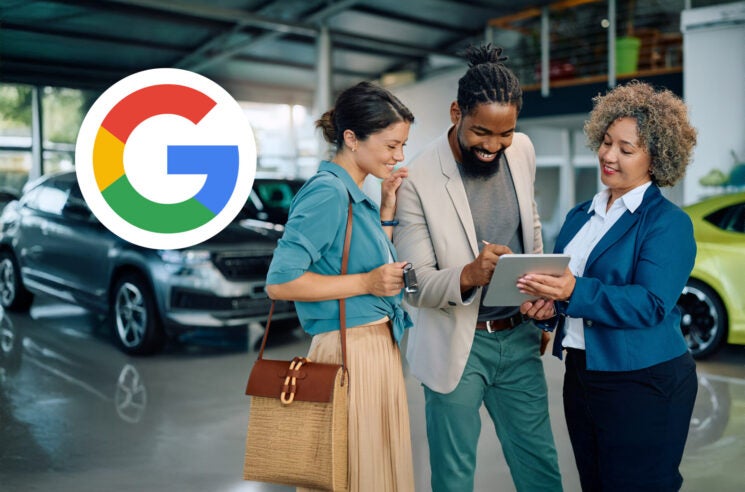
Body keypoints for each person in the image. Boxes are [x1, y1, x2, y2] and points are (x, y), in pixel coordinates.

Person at [393, 44, 562, 491]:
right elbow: (414, 287)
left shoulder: (521, 150)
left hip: (519, 336)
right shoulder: (418, 180)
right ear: (456, 113)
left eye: (504, 134)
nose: (493, 146)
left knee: (540, 465)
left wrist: (541, 297)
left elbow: (533, 224)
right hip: (457, 346)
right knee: (453, 477)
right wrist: (469, 274)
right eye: (482, 132)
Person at [517, 80, 698, 491]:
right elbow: (569, 291)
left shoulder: (668, 224)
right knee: (595, 482)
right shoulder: (581, 215)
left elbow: (650, 303)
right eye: (606, 142)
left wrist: (571, 292)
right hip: (582, 374)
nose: (608, 155)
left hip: (644, 380)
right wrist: (550, 309)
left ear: (657, 158)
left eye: (626, 149)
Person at [265, 81, 415, 492]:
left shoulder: (354, 196)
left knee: (365, 472)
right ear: (351, 139)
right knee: (353, 475)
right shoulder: (328, 193)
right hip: (349, 352)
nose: (399, 155)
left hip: (371, 348)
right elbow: (280, 282)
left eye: (401, 145)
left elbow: (351, 256)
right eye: (390, 145)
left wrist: (385, 211)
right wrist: (367, 282)